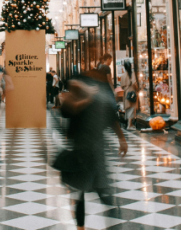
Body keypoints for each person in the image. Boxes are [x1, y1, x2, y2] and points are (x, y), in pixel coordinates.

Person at [55, 76, 128, 230]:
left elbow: (111, 118)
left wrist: (122, 139)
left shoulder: (95, 100)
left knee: (100, 192)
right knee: (83, 193)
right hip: (82, 153)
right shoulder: (76, 101)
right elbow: (67, 110)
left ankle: (106, 225)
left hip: (94, 152)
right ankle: (81, 227)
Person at [121, 60, 138, 131]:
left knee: (128, 108)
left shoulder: (123, 75)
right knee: (132, 108)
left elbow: (122, 86)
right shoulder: (132, 73)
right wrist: (137, 88)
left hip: (126, 93)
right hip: (132, 92)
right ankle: (129, 124)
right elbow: (134, 83)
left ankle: (129, 123)